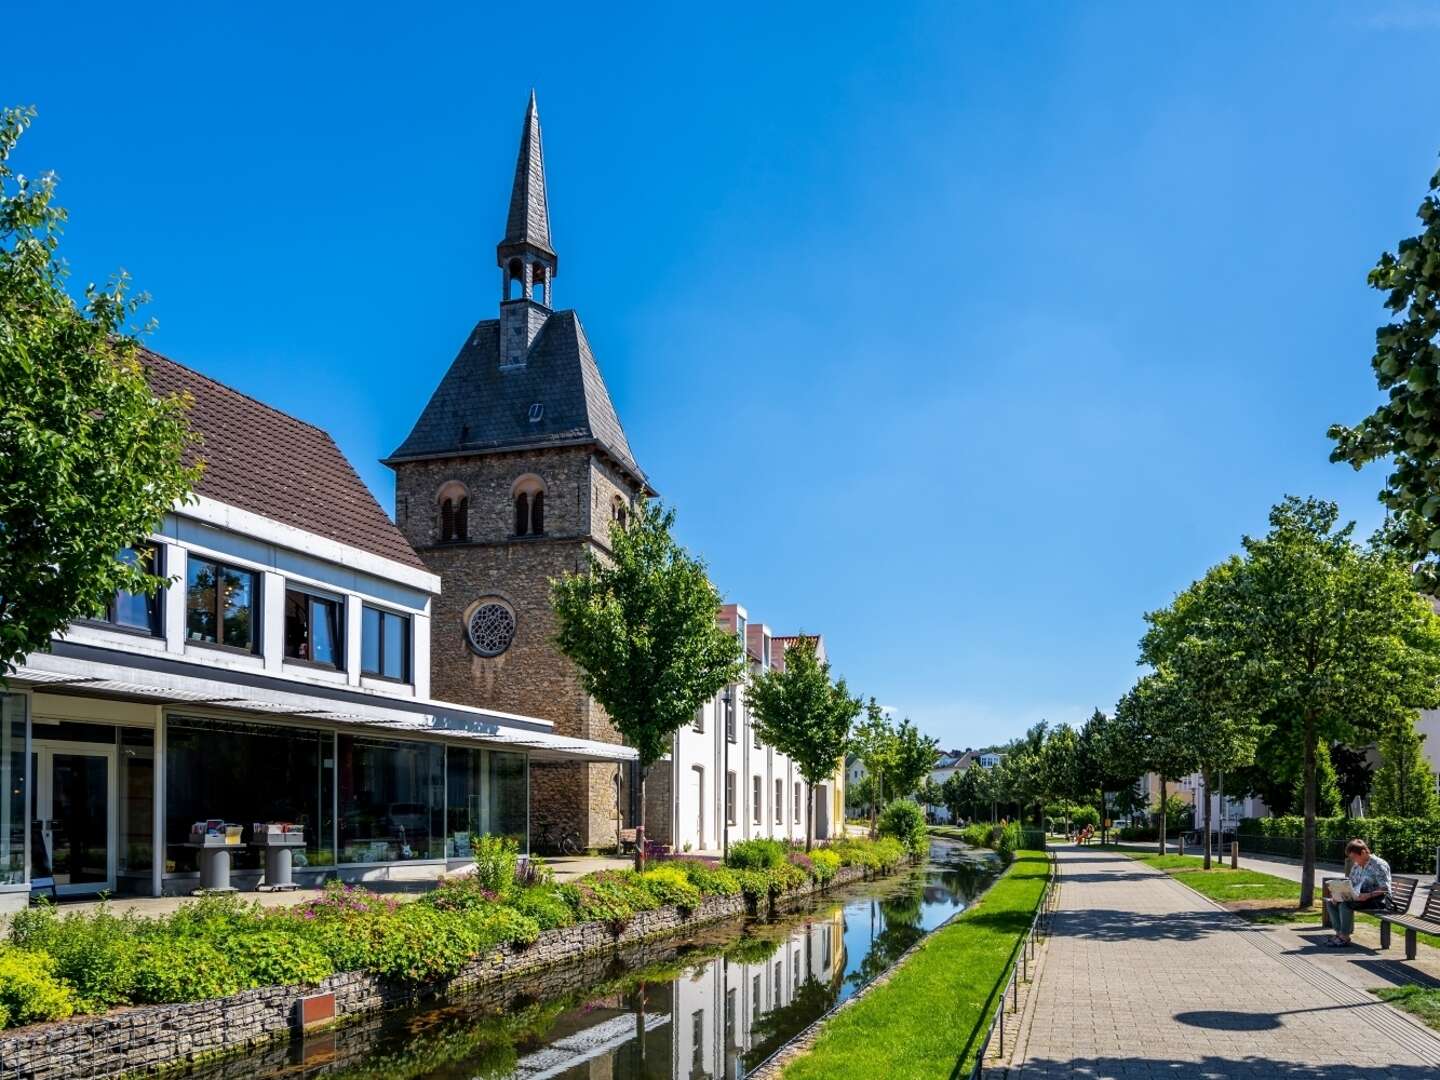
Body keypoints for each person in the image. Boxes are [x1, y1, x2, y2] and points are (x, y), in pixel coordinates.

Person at [1324, 838, 1392, 947]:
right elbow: (1350, 883)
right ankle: (1339, 934)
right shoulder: (1357, 865)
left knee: (1345, 905)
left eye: (1354, 857)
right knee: (1331, 902)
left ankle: (1344, 937)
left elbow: (1385, 889)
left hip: (1377, 899)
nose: (1354, 860)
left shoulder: (1378, 865)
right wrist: (1338, 894)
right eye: (1351, 858)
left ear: (1364, 852)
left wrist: (1368, 895)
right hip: (1359, 896)